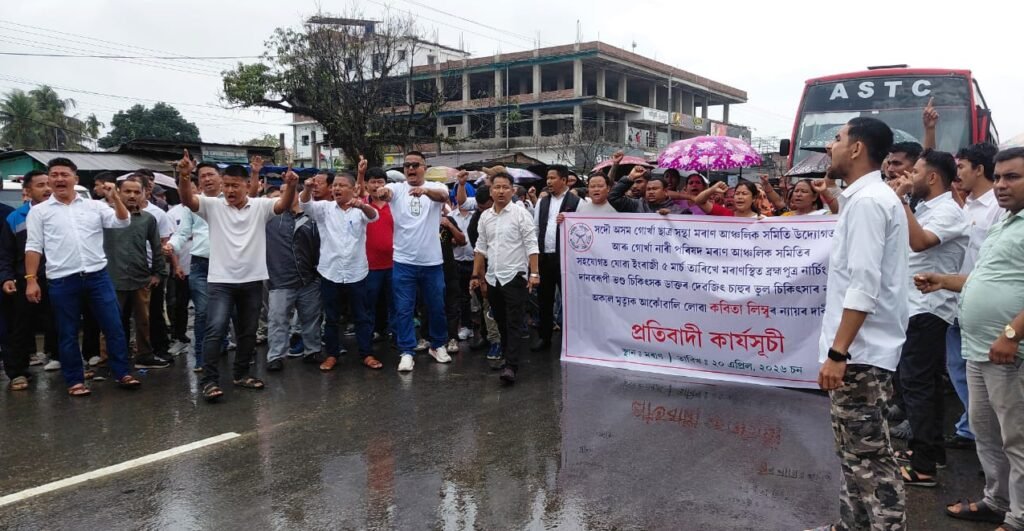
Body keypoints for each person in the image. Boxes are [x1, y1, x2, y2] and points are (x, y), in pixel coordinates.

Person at [914, 147, 1024, 531]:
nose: (1002, 185)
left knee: (1016, 436)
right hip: (979, 348)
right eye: (999, 176)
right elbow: (985, 279)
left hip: (1009, 351)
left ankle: (1019, 517)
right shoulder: (1005, 223)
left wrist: (1012, 333)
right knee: (986, 432)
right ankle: (996, 501)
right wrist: (944, 281)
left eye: (1013, 177)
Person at [810, 117, 907, 530]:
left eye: (837, 138)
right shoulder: (864, 199)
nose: (829, 147)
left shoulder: (869, 203)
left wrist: (838, 353)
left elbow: (864, 286)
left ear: (856, 148)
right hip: (857, 353)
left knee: (870, 459)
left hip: (859, 355)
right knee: (852, 454)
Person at [176, 150, 298, 402]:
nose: (230, 190)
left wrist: (292, 186)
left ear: (247, 185)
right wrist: (185, 176)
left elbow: (283, 205)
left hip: (252, 281)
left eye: (235, 185)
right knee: (215, 329)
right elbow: (188, 200)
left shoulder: (260, 206)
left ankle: (241, 374)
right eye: (227, 185)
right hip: (221, 281)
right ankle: (209, 381)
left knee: (248, 331)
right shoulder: (212, 206)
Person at [25, 157, 142, 396]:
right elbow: (34, 246)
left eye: (64, 174)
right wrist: (31, 280)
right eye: (54, 175)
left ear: (75, 179)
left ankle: (122, 373)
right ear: (49, 180)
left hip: (97, 277)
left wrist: (115, 197)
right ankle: (75, 380)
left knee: (114, 326)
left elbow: (122, 221)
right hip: (62, 280)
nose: (59, 179)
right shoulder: (39, 212)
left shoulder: (94, 206)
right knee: (67, 332)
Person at [888, 149, 969, 486]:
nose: (909, 177)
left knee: (917, 385)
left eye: (916, 172)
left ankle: (923, 468)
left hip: (928, 309)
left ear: (933, 177)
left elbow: (920, 243)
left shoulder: (948, 211)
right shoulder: (927, 207)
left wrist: (901, 201)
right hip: (913, 307)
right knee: (926, 385)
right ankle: (931, 453)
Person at [943, 142, 1003, 449]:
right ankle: (972, 428)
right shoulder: (966, 206)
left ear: (979, 169)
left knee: (988, 378)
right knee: (960, 370)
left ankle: (987, 436)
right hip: (957, 302)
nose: (957, 173)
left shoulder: (998, 208)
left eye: (962, 167)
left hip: (984, 307)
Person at [373, 151, 453, 371]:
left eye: (415, 165)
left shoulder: (437, 187)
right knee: (404, 309)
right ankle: (407, 351)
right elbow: (387, 193)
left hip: (432, 262)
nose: (410, 168)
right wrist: (383, 192)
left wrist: (425, 191)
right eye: (407, 165)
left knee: (436, 307)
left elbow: (442, 197)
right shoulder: (398, 188)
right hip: (403, 262)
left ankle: (438, 345)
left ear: (424, 167)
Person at [301, 173, 379, 372]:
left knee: (361, 316)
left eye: (342, 185)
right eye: (335, 185)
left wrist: (361, 205)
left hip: (357, 271)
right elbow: (305, 205)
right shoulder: (324, 208)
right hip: (331, 271)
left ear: (353, 189)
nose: (336, 188)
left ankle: (366, 354)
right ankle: (332, 355)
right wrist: (307, 188)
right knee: (331, 318)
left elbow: (374, 216)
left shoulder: (360, 209)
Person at [470, 172, 540, 385]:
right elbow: (480, 248)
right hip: (493, 278)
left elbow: (531, 244)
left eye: (505, 187)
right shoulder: (485, 217)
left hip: (515, 276)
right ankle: (509, 354)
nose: (501, 191)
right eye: (497, 187)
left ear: (512, 190)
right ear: (491, 191)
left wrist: (534, 273)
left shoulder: (521, 214)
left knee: (514, 321)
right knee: (500, 319)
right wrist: (475, 275)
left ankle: (511, 365)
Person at [0, 170, 57, 390]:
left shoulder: (63, 213)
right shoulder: (15, 217)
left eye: (48, 183)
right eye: (40, 185)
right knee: (20, 327)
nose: (47, 188)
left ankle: (66, 364)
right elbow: (6, 253)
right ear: (28, 191)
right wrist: (6, 277)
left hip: (57, 277)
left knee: (60, 323)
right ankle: (18, 372)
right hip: (25, 279)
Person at [105, 177, 169, 369]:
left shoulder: (148, 219)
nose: (132, 195)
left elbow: (157, 248)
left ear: (143, 194)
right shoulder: (106, 216)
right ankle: (112, 359)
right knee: (112, 321)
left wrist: (158, 273)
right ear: (118, 192)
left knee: (144, 321)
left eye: (136, 192)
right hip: (112, 278)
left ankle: (145, 355)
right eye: (127, 191)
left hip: (141, 277)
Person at [166, 162, 220, 372]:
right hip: (200, 265)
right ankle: (201, 358)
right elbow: (182, 233)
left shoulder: (231, 201)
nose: (207, 179)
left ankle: (227, 348)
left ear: (220, 177)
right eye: (203, 176)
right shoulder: (193, 206)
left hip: (228, 265)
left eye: (210, 174)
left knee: (232, 312)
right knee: (203, 312)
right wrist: (172, 245)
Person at [265, 181, 322, 372]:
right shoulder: (270, 218)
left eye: (288, 190)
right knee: (278, 320)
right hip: (280, 278)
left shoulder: (311, 218)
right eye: (282, 191)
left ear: (298, 194)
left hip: (308, 279)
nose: (284, 194)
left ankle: (312, 350)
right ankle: (276, 356)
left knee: (311, 318)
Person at [531, 164, 580, 352]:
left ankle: (572, 340)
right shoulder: (542, 202)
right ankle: (545, 337)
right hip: (545, 257)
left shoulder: (577, 202)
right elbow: (536, 229)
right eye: (548, 178)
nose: (549, 181)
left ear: (564, 180)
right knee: (544, 299)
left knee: (569, 300)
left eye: (553, 178)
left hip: (566, 259)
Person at [360, 166, 396, 345]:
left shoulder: (395, 204)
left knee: (395, 303)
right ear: (366, 185)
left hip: (395, 264)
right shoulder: (361, 205)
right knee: (369, 303)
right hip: (370, 265)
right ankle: (369, 335)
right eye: (372, 182)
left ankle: (397, 335)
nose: (376, 186)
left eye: (380, 182)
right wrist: (360, 173)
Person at [608, 166, 687, 215]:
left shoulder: (680, 211)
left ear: (665, 192)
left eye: (655, 189)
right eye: (648, 189)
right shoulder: (636, 205)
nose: (651, 192)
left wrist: (672, 217)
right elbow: (613, 198)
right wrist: (630, 177)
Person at [696, 181, 762, 218]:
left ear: (753, 198)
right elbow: (699, 201)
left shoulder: (762, 220)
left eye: (744, 194)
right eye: (737, 193)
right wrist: (712, 189)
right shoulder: (725, 214)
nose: (740, 197)